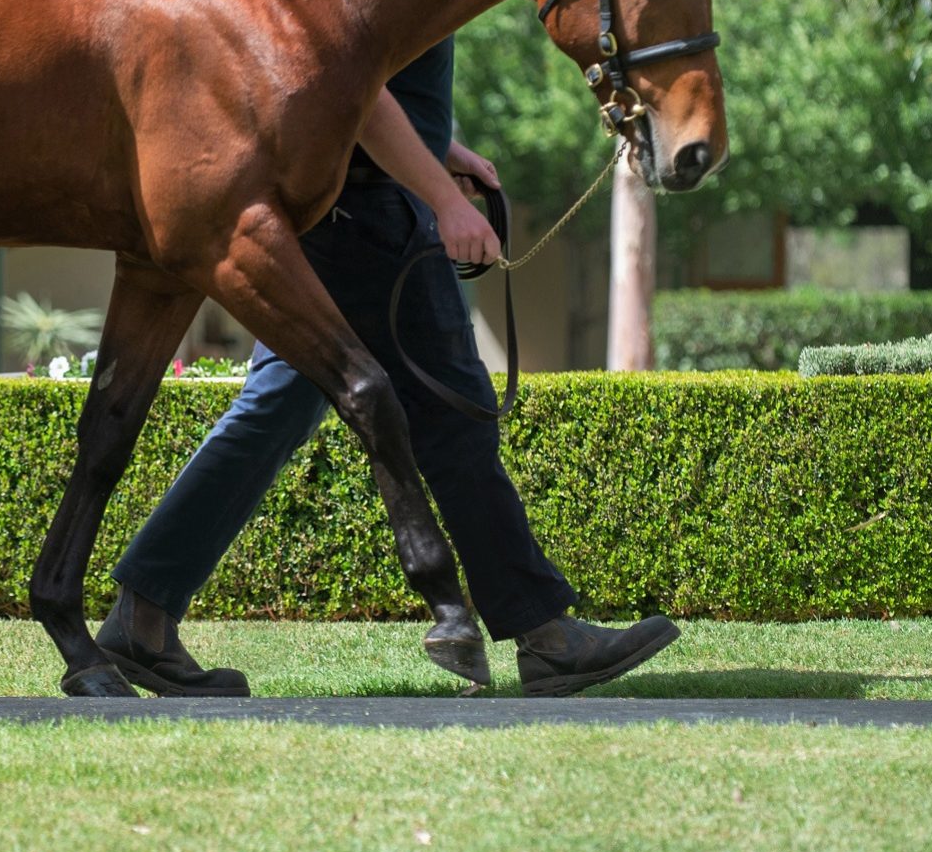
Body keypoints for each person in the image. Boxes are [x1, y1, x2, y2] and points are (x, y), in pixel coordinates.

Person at [96, 35, 682, 697]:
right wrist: (445, 196)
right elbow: (361, 94)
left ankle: (143, 613)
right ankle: (543, 632)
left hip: (344, 202)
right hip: (369, 214)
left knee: (278, 408)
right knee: (451, 414)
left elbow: (378, 93)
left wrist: (440, 151)